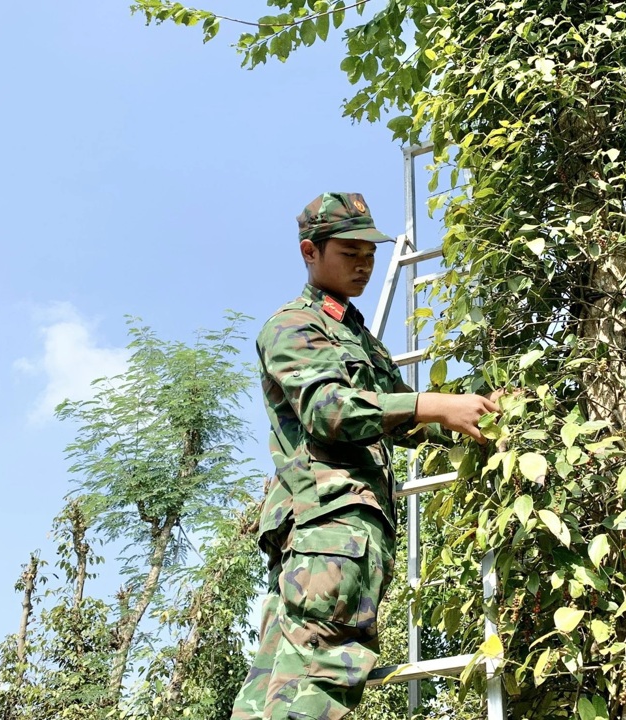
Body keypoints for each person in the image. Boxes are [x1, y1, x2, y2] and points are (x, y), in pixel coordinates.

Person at [231, 192, 499, 720]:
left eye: (371, 254)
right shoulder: (293, 325)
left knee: (276, 692)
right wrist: (434, 403)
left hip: (342, 531)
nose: (364, 264)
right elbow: (329, 410)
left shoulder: (353, 332)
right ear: (310, 252)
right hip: (329, 526)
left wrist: (476, 417)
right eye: (349, 252)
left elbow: (402, 420)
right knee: (316, 684)